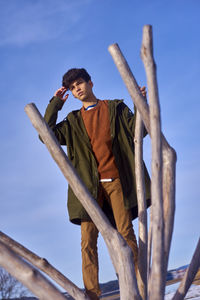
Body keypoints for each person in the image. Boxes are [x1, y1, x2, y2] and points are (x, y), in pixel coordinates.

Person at [43, 68, 151, 300]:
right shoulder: (72, 122)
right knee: (88, 242)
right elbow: (45, 135)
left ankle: (139, 288)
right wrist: (55, 103)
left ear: (91, 83)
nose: (77, 89)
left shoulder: (115, 108)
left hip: (117, 182)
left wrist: (141, 103)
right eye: (72, 88)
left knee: (126, 234)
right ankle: (92, 294)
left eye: (79, 83)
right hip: (88, 189)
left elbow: (139, 131)